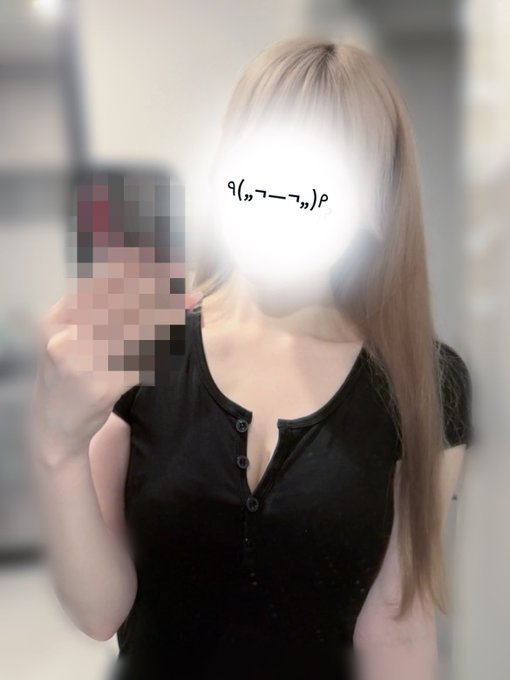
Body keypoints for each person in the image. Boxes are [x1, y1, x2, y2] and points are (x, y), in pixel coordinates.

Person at [29, 37, 474, 680]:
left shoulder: (428, 383)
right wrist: (58, 449)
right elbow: (100, 609)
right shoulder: (144, 339)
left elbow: (397, 627)